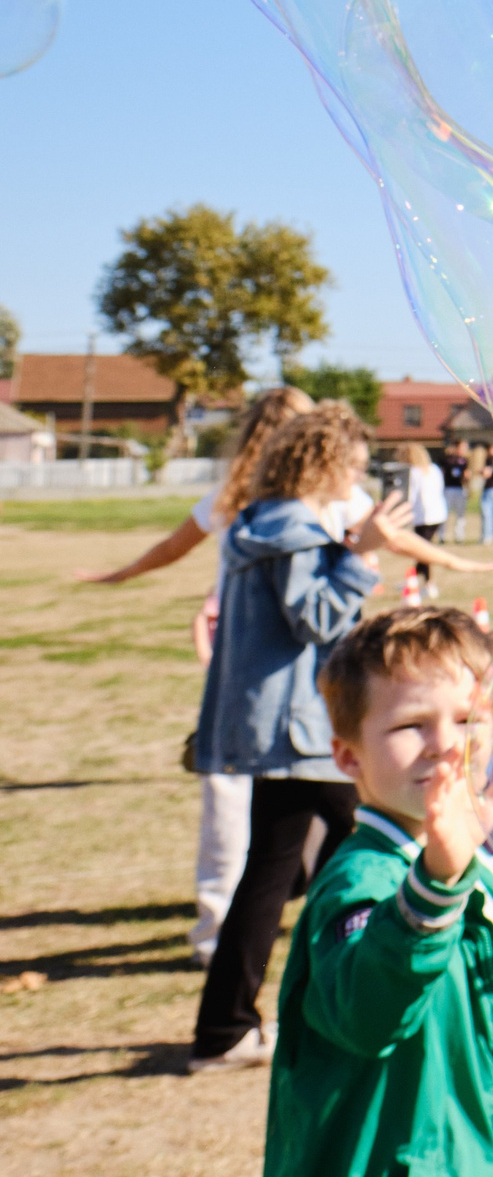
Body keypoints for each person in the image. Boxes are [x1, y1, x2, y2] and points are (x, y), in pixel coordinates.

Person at [263, 604, 493, 1177]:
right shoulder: (358, 882)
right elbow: (369, 1016)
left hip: (468, 1176)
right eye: (410, 725)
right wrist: (439, 881)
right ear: (348, 756)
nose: (445, 745)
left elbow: (471, 1041)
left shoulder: (487, 879)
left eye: (467, 719)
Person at [189, 401, 408, 1072]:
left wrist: (350, 550)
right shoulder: (294, 530)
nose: (359, 477)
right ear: (324, 464)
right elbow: (314, 619)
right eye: (354, 465)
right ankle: (237, 1025)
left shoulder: (262, 520)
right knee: (337, 854)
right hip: (301, 729)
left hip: (286, 725)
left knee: (306, 859)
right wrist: (361, 556)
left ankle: (245, 1021)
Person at [75, 384, 316, 961]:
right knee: (308, 786)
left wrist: (121, 574)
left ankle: (219, 926)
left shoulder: (233, 497)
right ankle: (277, 909)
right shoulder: (320, 499)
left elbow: (170, 547)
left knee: (235, 792)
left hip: (242, 664)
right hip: (299, 665)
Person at [400, 442, 448, 599]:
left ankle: (428, 584)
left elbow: (411, 495)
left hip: (423, 515)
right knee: (422, 550)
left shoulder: (414, 472)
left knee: (422, 552)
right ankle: (412, 578)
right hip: (438, 513)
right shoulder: (434, 469)